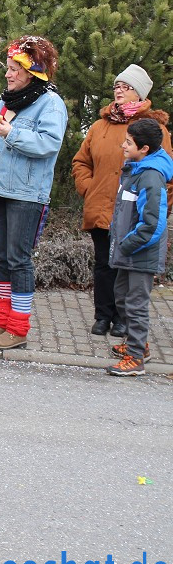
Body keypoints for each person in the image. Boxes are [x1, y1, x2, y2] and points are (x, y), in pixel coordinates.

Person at [0, 36, 67, 350]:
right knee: (1, 258)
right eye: (8, 69)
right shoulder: (12, 101)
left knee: (19, 260)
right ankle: (3, 322)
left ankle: (19, 328)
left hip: (27, 194)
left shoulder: (51, 104)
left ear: (33, 73)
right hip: (0, 188)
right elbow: (0, 145)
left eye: (15, 70)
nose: (8, 74)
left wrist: (11, 133)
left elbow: (47, 145)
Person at [71, 64, 171, 337]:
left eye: (126, 87)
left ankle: (124, 318)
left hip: (135, 213)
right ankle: (103, 316)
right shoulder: (99, 126)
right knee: (104, 264)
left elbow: (167, 175)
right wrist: (89, 189)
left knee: (128, 266)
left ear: (138, 93)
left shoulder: (154, 130)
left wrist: (159, 210)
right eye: (117, 86)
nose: (119, 91)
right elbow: (81, 162)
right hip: (102, 206)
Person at [104, 119, 173, 376]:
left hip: (140, 252)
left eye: (128, 142)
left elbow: (152, 223)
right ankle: (138, 345)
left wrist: (128, 244)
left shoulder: (151, 176)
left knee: (135, 304)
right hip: (128, 250)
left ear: (143, 148)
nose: (123, 145)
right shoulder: (137, 169)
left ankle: (135, 359)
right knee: (122, 298)